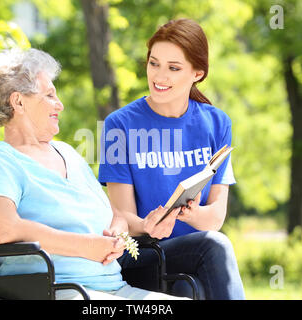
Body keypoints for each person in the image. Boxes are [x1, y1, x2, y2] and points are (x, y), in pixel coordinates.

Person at [0, 48, 186, 300]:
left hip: (113, 288)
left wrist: (133, 228)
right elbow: (2, 229)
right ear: (18, 101)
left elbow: (114, 215)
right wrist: (86, 247)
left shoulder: (68, 153)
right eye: (50, 95)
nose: (59, 105)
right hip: (57, 290)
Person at [98, 19, 245, 300]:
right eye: (154, 63)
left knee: (187, 288)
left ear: (197, 73)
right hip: (142, 256)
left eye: (173, 68)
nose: (159, 76)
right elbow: (121, 219)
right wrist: (147, 224)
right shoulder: (120, 125)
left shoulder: (217, 123)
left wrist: (193, 214)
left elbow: (215, 217)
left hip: (194, 260)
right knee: (215, 246)